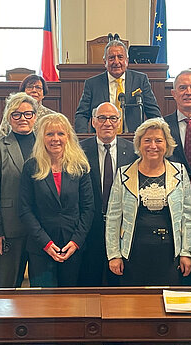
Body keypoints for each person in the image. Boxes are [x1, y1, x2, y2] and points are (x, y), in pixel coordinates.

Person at [106, 118, 191, 286]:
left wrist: (186, 252)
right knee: (133, 305)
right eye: (147, 140)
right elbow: (113, 218)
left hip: (169, 254)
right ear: (139, 144)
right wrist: (114, 254)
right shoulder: (123, 174)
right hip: (132, 253)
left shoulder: (180, 173)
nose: (153, 146)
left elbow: (187, 217)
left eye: (158, 140)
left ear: (167, 145)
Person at [19, 113, 94, 287]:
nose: (56, 139)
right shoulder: (31, 166)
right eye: (49, 134)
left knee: (70, 303)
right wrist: (46, 243)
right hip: (41, 247)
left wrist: (76, 242)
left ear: (68, 136)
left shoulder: (80, 166)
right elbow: (25, 209)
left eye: (61, 134)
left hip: (72, 246)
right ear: (42, 138)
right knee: (42, 304)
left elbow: (89, 208)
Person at [78, 102, 137, 286]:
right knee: (89, 280)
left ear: (119, 123)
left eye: (112, 118)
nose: (107, 123)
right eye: (102, 118)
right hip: (90, 224)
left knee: (118, 283)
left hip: (121, 227)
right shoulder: (79, 150)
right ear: (93, 122)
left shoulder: (133, 151)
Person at [0, 92, 38, 287]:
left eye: (28, 114)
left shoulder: (46, 145)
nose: (22, 118)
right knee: (6, 286)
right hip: (9, 229)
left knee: (42, 287)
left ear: (35, 116)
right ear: (9, 118)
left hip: (41, 229)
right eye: (16, 114)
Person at [74, 40, 161, 133]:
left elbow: (153, 113)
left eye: (120, 57)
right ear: (105, 62)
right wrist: (84, 140)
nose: (116, 62)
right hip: (102, 139)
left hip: (133, 139)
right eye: (111, 58)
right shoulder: (92, 84)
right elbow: (82, 115)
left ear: (127, 61)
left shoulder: (140, 80)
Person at [0, 74, 55, 139]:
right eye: (30, 87)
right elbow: (1, 138)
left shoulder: (51, 116)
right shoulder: (12, 112)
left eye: (38, 88)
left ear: (43, 94)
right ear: (23, 92)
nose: (34, 90)